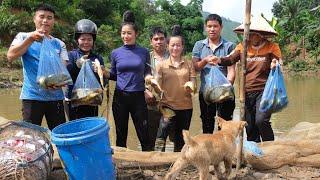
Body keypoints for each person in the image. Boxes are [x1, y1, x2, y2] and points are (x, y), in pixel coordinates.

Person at [211, 15, 282, 142]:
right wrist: (219, 60)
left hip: (265, 91)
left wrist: (275, 64)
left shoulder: (272, 47)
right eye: (250, 33)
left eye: (255, 34)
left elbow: (278, 61)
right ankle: (254, 153)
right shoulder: (242, 46)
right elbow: (230, 58)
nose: (252, 36)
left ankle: (271, 147)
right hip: (247, 91)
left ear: (261, 34)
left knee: (261, 121)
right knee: (249, 125)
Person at [6, 4, 68, 130]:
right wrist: (30, 39)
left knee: (60, 134)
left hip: (55, 98)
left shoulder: (59, 44)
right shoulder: (23, 37)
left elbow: (62, 70)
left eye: (49, 18)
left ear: (53, 21)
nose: (45, 20)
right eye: (42, 17)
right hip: (32, 96)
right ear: (34, 19)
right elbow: (11, 56)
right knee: (30, 135)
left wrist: (59, 82)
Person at [108, 11, 152, 151]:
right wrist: (102, 71)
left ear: (136, 34)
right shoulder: (115, 53)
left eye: (129, 33)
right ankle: (122, 164)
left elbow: (147, 71)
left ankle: (147, 162)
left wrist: (149, 79)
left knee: (143, 132)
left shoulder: (144, 52)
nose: (125, 36)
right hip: (120, 97)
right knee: (121, 134)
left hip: (138, 96)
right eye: (123, 33)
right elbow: (114, 75)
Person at [152, 25, 196, 152]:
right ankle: (158, 160)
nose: (175, 48)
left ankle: (179, 163)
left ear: (182, 47)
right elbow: (157, 86)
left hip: (186, 107)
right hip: (167, 105)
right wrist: (154, 85)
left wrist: (191, 87)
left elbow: (193, 83)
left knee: (181, 139)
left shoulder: (188, 64)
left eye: (178, 45)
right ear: (168, 46)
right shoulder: (161, 65)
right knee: (162, 132)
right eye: (172, 45)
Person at [192, 14, 236, 134]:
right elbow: (195, 68)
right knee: (207, 125)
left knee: (225, 126)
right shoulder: (199, 45)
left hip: (225, 93)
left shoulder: (229, 46)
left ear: (221, 27)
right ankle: (210, 152)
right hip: (206, 93)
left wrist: (225, 89)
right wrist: (205, 60)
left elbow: (231, 71)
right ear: (206, 28)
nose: (212, 29)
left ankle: (225, 152)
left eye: (215, 26)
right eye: (209, 26)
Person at [66, 19, 107, 120]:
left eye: (89, 39)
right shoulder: (71, 55)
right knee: (75, 130)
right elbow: (67, 76)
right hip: (74, 99)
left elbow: (103, 82)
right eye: (83, 39)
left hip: (92, 100)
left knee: (91, 127)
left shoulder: (98, 58)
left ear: (93, 41)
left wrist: (101, 72)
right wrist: (77, 65)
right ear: (77, 40)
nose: (86, 42)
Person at [145, 26, 169, 150]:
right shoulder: (145, 58)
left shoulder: (173, 56)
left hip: (169, 102)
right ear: (151, 41)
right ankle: (151, 161)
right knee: (151, 133)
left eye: (161, 38)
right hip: (151, 101)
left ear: (166, 40)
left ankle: (165, 160)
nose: (159, 41)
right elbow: (138, 77)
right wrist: (145, 92)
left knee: (164, 134)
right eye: (156, 39)